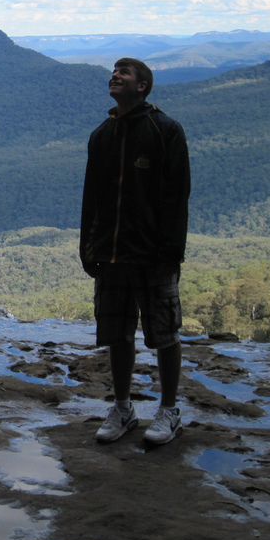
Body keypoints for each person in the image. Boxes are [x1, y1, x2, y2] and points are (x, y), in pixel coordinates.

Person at [80, 57, 191, 445]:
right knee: (118, 333)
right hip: (111, 254)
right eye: (114, 72)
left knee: (164, 333)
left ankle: (169, 410)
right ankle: (124, 408)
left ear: (142, 86)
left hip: (153, 254)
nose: (115, 76)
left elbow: (178, 197)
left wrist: (171, 251)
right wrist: (87, 247)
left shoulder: (165, 131)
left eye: (124, 73)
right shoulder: (102, 135)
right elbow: (91, 198)